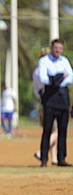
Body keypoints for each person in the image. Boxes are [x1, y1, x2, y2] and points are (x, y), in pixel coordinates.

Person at [38, 38, 73, 167]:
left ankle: (61, 158)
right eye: (56, 47)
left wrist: (54, 79)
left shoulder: (65, 61)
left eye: (60, 48)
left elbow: (71, 77)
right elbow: (43, 78)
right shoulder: (44, 61)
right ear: (51, 48)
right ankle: (44, 159)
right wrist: (59, 77)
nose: (58, 50)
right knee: (47, 130)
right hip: (49, 99)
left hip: (63, 99)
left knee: (63, 131)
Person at [32, 47, 58, 165]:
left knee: (49, 130)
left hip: (41, 101)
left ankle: (54, 159)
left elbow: (36, 90)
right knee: (56, 132)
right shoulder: (48, 70)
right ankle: (40, 152)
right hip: (51, 101)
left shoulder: (36, 71)